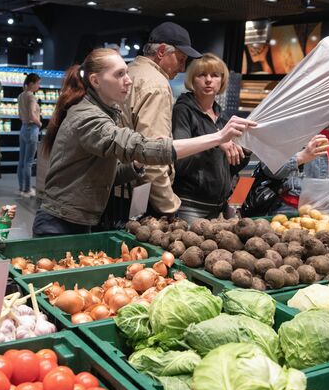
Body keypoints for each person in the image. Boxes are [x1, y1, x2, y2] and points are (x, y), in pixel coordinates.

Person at [33, 48, 255, 237]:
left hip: (82, 219)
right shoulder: (88, 117)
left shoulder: (109, 112)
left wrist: (137, 165)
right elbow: (136, 145)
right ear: (95, 81)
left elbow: (105, 173)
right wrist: (217, 137)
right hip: (60, 223)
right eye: (120, 74)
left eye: (126, 73)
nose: (128, 80)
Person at [121, 22, 202, 218]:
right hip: (139, 194)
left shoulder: (129, 72)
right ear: (162, 52)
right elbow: (151, 155)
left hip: (117, 186)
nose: (182, 68)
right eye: (181, 59)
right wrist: (170, 206)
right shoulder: (156, 84)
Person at [172, 53, 250, 223]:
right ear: (192, 80)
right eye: (202, 75)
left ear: (222, 81)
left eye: (215, 75)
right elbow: (180, 161)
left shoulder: (222, 117)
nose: (208, 80)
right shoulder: (183, 111)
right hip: (190, 205)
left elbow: (230, 167)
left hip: (219, 207)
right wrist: (217, 141)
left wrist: (247, 149)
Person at [264, 110, 329, 214]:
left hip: (326, 213)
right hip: (289, 211)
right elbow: (269, 169)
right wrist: (301, 157)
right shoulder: (291, 130)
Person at [17, 73, 42, 197]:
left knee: (22, 161)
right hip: (32, 129)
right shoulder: (31, 97)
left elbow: (20, 115)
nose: (39, 86)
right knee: (29, 162)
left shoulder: (21, 96)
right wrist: (39, 123)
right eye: (38, 83)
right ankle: (27, 190)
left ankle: (21, 188)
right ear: (31, 84)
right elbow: (32, 115)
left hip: (23, 128)